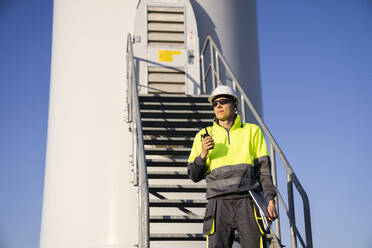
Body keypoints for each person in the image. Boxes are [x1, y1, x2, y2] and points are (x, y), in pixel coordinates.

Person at [187, 85, 277, 248]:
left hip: (248, 201)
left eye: (223, 101)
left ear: (235, 105)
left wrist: (270, 199)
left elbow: (264, 170)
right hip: (218, 204)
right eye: (215, 104)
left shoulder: (252, 131)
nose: (218, 106)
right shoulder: (203, 135)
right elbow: (193, 175)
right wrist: (203, 155)